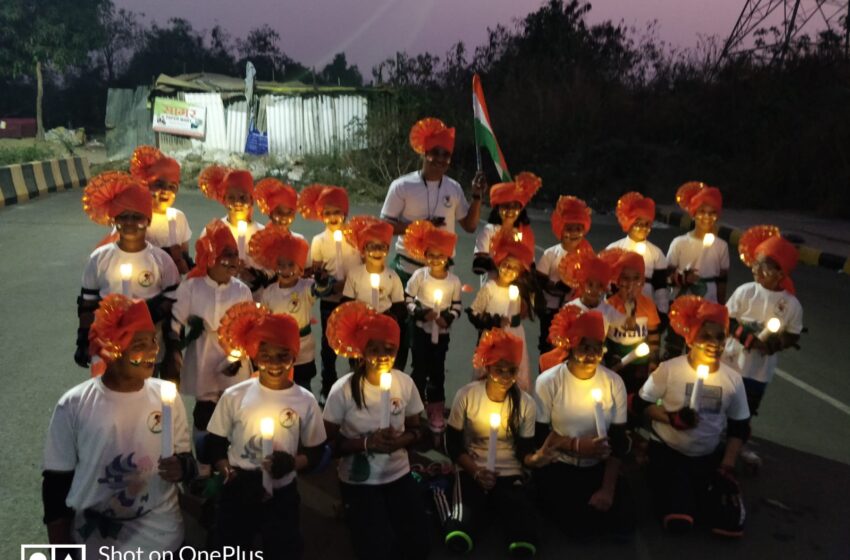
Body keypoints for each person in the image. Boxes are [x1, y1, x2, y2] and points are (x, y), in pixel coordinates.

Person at [43, 295, 195, 555]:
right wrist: (60, 548)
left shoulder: (166, 396)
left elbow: (184, 459)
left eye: (153, 341)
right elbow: (56, 484)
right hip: (95, 540)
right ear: (113, 348)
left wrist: (182, 467)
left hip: (161, 536)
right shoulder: (74, 404)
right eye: (139, 344)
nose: (153, 351)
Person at [206, 304, 327, 558]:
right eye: (266, 355)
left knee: (283, 548)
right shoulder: (234, 395)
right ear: (254, 355)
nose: (274, 363)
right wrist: (226, 470)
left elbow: (316, 450)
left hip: (282, 490)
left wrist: (293, 463)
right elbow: (215, 441)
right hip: (238, 486)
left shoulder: (305, 400)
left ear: (294, 356)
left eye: (283, 355)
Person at [635, 296, 750, 537]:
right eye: (705, 336)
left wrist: (728, 464)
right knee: (679, 520)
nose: (714, 344)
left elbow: (739, 426)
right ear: (692, 339)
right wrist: (671, 418)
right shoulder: (670, 369)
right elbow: (641, 404)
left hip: (706, 456)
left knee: (727, 523)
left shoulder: (733, 379)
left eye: (720, 337)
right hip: (669, 452)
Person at [322, 302, 429, 560]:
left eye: (389, 349)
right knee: (374, 547)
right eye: (374, 349)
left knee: (419, 545)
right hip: (359, 480)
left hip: (398, 473)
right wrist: (366, 444)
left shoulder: (404, 383)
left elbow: (417, 429)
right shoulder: (343, 390)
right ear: (362, 352)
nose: (382, 355)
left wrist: (401, 440)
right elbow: (329, 445)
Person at [534, 306, 634, 540]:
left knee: (623, 524)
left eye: (597, 348)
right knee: (577, 527)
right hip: (561, 464)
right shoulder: (548, 382)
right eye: (584, 347)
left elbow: (618, 440)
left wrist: (608, 489)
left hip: (600, 466)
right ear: (571, 347)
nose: (591, 355)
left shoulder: (614, 382)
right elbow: (539, 436)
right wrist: (576, 445)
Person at [442, 328, 541, 557]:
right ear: (487, 368)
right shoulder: (467, 395)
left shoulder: (526, 403)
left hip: (509, 471)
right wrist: (476, 472)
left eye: (511, 371)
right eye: (499, 370)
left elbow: (525, 450)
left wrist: (536, 458)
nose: (505, 378)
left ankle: (498, 507)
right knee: (459, 533)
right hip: (472, 467)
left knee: (523, 538)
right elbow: (452, 443)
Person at [76, 172, 181, 376]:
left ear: (148, 220)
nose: (130, 223)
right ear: (115, 220)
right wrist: (82, 338)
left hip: (149, 350)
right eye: (123, 217)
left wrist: (148, 315)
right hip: (108, 349)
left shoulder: (161, 260)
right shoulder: (99, 258)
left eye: (137, 217)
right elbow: (87, 304)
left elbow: (175, 302)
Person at [723, 225, 802, 466]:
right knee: (720, 403)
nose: (756, 270)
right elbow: (727, 318)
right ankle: (712, 442)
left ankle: (734, 451)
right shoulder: (746, 291)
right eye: (756, 264)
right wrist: (745, 336)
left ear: (780, 273)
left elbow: (793, 334)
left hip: (758, 371)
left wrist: (773, 345)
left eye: (764, 267)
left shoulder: (791, 305)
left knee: (745, 411)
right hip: (730, 362)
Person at [169, 220, 253, 448]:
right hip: (203, 354)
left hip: (233, 355)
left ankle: (231, 460)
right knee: (205, 411)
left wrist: (237, 357)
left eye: (234, 255)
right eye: (226, 256)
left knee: (233, 407)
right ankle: (205, 465)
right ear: (210, 257)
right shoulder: (191, 287)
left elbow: (249, 327)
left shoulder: (241, 290)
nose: (232, 262)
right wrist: (174, 351)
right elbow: (175, 322)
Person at [381, 117, 486, 283]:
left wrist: (477, 196)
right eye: (435, 152)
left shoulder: (454, 188)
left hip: (442, 273)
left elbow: (470, 226)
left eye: (446, 155)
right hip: (407, 269)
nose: (440, 159)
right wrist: (420, 228)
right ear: (425, 152)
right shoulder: (402, 185)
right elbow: (385, 227)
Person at [298, 183, 360, 403]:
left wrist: (350, 285)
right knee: (329, 345)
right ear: (321, 215)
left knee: (356, 343)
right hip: (330, 301)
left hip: (354, 300)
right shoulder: (318, 241)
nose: (333, 217)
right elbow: (317, 271)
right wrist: (325, 280)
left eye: (337, 212)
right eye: (328, 213)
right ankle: (329, 386)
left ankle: (357, 383)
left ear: (345, 212)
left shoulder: (355, 237)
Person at [252, 227, 334, 390]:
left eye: (291, 265)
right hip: (278, 349)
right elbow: (264, 319)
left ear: (300, 268)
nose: (286, 270)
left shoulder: (306, 287)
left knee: (303, 386)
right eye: (281, 265)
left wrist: (323, 281)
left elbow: (321, 290)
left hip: (303, 349)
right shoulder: (269, 292)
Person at [402, 220, 463, 432]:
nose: (435, 260)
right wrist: (420, 312)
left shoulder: (453, 281)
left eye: (440, 256)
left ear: (448, 257)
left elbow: (457, 306)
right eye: (431, 255)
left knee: (437, 370)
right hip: (420, 330)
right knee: (419, 368)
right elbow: (407, 299)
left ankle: (435, 408)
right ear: (424, 256)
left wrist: (447, 317)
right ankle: (413, 409)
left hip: (442, 333)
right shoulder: (420, 276)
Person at [665, 182, 730, 358]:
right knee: (674, 347)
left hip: (708, 305)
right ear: (694, 214)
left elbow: (722, 281)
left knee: (700, 349)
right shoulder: (679, 243)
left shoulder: (721, 246)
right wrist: (682, 279)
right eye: (702, 212)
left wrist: (721, 309)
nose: (706, 217)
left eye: (711, 213)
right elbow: (665, 277)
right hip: (681, 305)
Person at [467, 229, 536, 393]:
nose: (508, 270)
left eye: (514, 268)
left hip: (515, 335)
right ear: (498, 264)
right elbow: (474, 312)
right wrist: (494, 322)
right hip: (492, 337)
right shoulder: (490, 288)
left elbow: (523, 313)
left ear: (519, 272)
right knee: (489, 370)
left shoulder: (519, 290)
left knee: (512, 370)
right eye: (505, 265)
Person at [341, 216, 408, 370]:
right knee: (359, 365)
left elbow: (399, 306)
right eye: (372, 247)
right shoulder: (355, 274)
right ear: (363, 251)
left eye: (381, 246)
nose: (377, 251)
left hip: (384, 328)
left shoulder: (392, 276)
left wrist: (389, 317)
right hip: (360, 327)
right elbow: (347, 302)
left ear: (387, 249)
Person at [536, 195, 594, 355]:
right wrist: (556, 288)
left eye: (578, 229)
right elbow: (539, 280)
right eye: (569, 228)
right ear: (560, 229)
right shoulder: (550, 254)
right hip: (552, 311)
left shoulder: (588, 255)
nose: (574, 233)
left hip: (578, 311)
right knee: (549, 347)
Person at [599, 248, 662, 395]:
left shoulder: (648, 305)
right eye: (625, 278)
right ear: (618, 280)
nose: (631, 283)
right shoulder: (609, 305)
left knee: (635, 396)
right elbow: (602, 337)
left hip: (639, 364)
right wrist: (606, 357)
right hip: (614, 361)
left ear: (642, 281)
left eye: (636, 278)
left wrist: (653, 361)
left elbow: (654, 335)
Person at [198, 165, 267, 291]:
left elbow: (272, 274)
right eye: (231, 197)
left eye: (243, 197)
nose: (237, 203)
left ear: (252, 200)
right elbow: (203, 269)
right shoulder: (213, 231)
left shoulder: (263, 234)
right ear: (224, 200)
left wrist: (254, 276)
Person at [128, 145, 192, 274]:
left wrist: (182, 262)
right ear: (147, 185)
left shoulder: (179, 217)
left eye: (172, 187)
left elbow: (185, 254)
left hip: (173, 284)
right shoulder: (135, 218)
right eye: (159, 185)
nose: (165, 192)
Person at [606, 192, 668, 318]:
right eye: (638, 223)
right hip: (617, 310)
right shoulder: (613, 249)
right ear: (629, 223)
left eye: (647, 224)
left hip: (646, 311)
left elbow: (661, 287)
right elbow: (606, 284)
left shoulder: (656, 253)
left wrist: (662, 312)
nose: (643, 228)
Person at [473, 172, 540, 282]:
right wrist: (503, 263)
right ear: (497, 208)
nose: (510, 210)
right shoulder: (489, 231)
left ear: (521, 209)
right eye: (506, 206)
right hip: (492, 286)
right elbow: (478, 265)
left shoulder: (525, 232)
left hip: (517, 288)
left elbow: (530, 264)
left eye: (515, 206)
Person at [560, 250, 625, 336]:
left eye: (599, 286)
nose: (594, 290)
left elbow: (626, 323)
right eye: (590, 284)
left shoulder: (607, 310)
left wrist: (630, 310)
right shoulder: (570, 307)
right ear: (582, 284)